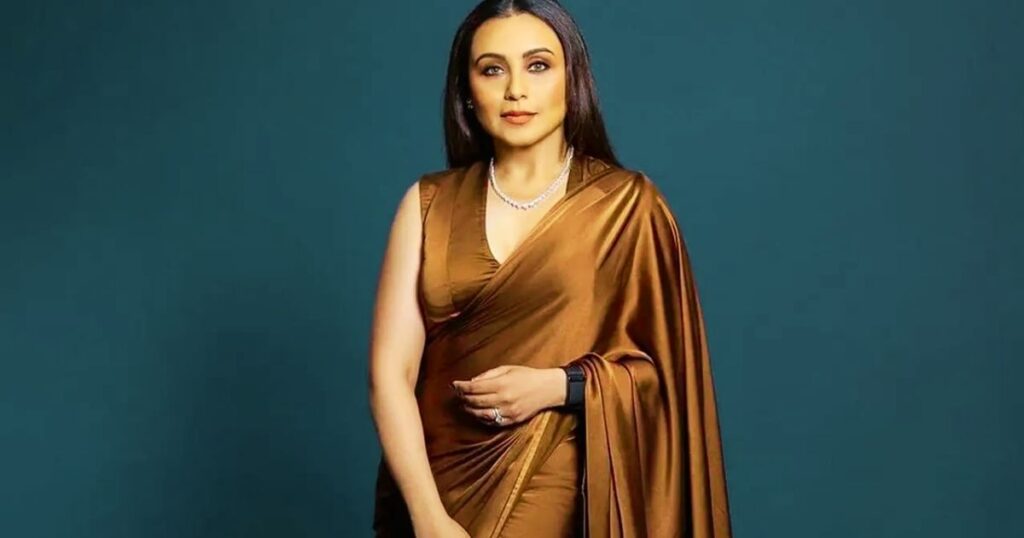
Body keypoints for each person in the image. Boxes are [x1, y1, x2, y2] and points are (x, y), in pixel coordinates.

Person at [368, 1, 732, 536]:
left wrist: (560, 386)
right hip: (434, 485)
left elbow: (668, 378)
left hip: (555, 476)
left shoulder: (626, 206)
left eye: (538, 65)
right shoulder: (428, 205)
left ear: (571, 79)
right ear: (467, 91)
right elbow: (389, 375)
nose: (516, 89)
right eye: (492, 69)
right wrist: (427, 517)